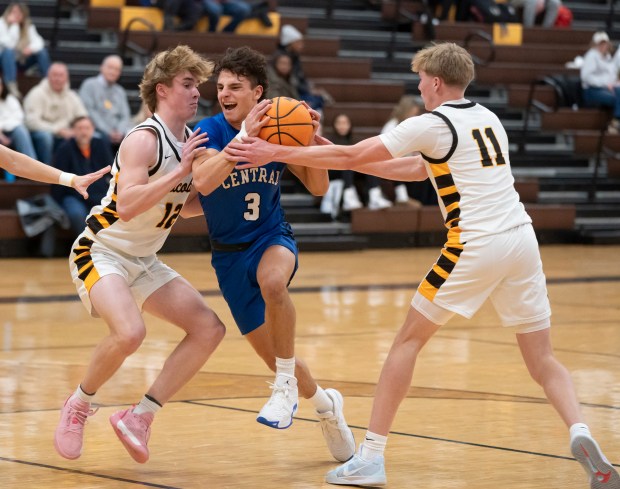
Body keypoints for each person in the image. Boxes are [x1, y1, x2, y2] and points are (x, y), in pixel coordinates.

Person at [224, 42, 620, 488]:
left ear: (434, 81)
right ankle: (580, 431)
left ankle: (371, 456)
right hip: (522, 241)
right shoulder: (487, 118)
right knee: (543, 358)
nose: (418, 86)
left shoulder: (433, 122)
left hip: (475, 244)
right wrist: (324, 146)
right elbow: (416, 169)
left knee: (406, 344)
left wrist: (277, 152)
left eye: (420, 79)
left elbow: (356, 158)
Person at [53, 45, 226, 464]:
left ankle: (141, 416)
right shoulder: (143, 140)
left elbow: (180, 206)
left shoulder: (188, 141)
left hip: (145, 259)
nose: (196, 93)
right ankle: (78, 404)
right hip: (103, 249)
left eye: (197, 85)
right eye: (188, 84)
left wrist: (221, 195)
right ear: (162, 90)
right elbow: (128, 205)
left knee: (209, 329)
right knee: (130, 333)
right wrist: (183, 173)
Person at [189, 46, 356, 463]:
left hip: (271, 236)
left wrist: (311, 143)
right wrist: (244, 136)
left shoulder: (277, 127)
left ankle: (284, 389)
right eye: (221, 87)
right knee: (281, 358)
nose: (224, 93)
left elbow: (318, 187)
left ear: (256, 92)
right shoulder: (208, 130)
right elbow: (205, 183)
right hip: (228, 257)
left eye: (235, 87)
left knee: (274, 282)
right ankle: (324, 405)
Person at [50, 116, 113, 238]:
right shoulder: (64, 149)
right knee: (76, 213)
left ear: (93, 130)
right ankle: (86, 245)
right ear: (73, 131)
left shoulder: (101, 145)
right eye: (80, 128)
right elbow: (58, 179)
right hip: (74, 196)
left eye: (87, 128)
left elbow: (111, 171)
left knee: (111, 210)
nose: (84, 132)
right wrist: (57, 203)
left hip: (98, 194)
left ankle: (106, 247)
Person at [321, 113, 391, 218]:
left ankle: (374, 196)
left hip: (353, 170)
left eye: (345, 123)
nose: (342, 126)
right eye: (339, 123)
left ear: (350, 125)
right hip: (335, 171)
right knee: (349, 162)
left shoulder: (355, 141)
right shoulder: (328, 141)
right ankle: (348, 196)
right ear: (334, 125)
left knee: (369, 163)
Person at [24, 62, 88, 164]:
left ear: (66, 78)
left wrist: (77, 130)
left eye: (61, 75)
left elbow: (82, 117)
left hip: (66, 134)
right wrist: (57, 130)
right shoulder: (36, 93)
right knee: (45, 137)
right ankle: (47, 171)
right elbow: (31, 122)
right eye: (55, 75)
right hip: (42, 133)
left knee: (88, 135)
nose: (57, 79)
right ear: (48, 76)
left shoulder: (72, 96)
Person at [78, 55, 132, 151]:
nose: (113, 72)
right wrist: (108, 131)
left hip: (118, 133)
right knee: (101, 139)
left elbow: (125, 116)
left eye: (117, 69)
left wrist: (120, 131)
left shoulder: (120, 91)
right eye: (110, 67)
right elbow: (89, 112)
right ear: (102, 67)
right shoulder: (89, 85)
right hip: (97, 130)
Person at [276, 24, 332, 112]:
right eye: (298, 42)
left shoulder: (295, 57)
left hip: (299, 91)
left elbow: (300, 78)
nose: (301, 45)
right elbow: (292, 83)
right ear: (290, 42)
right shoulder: (283, 57)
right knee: (314, 102)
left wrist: (309, 88)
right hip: (290, 95)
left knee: (320, 99)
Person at [0, 2, 51, 99]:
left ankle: (48, 81)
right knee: (8, 52)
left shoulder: (28, 27)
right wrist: (14, 25)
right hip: (3, 61)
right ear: (8, 12)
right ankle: (12, 86)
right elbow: (10, 44)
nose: (16, 15)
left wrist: (31, 49)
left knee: (42, 52)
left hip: (20, 62)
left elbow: (40, 42)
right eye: (14, 12)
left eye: (19, 13)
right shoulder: (1, 24)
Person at [0, 72, 37, 181]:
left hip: (11, 133)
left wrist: (2, 128)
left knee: (21, 131)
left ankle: (32, 167)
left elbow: (18, 119)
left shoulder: (10, 100)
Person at [581, 31, 620, 133]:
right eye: (600, 43)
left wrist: (613, 84)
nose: (603, 46)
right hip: (592, 90)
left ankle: (615, 121)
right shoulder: (591, 55)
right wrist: (605, 84)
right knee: (615, 98)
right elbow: (586, 77)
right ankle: (614, 123)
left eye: (604, 43)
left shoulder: (608, 57)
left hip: (606, 88)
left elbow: (611, 75)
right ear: (595, 44)